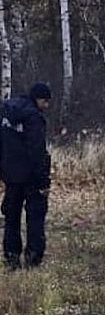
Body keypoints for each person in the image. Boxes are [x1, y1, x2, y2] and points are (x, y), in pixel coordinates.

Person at [0, 82, 52, 270]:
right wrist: (44, 181)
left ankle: (12, 258)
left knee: (11, 218)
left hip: (11, 176)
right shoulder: (34, 118)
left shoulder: (6, 112)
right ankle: (33, 259)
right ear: (39, 99)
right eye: (46, 102)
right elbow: (37, 151)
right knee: (35, 218)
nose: (46, 107)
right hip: (32, 177)